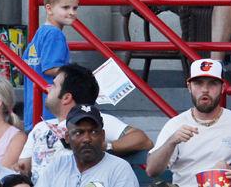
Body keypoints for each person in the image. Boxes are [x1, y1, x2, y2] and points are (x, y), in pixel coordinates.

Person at [17, 63, 152, 183]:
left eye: (54, 85)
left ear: (66, 97)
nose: (48, 88)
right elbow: (23, 167)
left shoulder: (98, 121)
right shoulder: (41, 127)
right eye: (79, 132)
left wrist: (105, 146)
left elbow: (143, 140)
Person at [146, 59, 231, 187]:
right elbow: (151, 170)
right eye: (198, 83)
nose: (205, 89)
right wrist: (171, 141)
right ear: (189, 87)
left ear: (222, 88)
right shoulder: (175, 124)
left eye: (212, 84)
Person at [36, 104, 139, 187]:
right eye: (78, 133)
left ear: (102, 135)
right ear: (67, 137)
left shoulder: (119, 169)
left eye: (94, 132)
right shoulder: (58, 165)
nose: (87, 139)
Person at [22, 0, 78, 130]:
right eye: (65, 7)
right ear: (49, 9)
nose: (71, 12)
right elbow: (50, 68)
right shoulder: (55, 34)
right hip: (50, 113)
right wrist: (77, 74)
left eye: (75, 8)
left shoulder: (40, 33)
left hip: (34, 110)